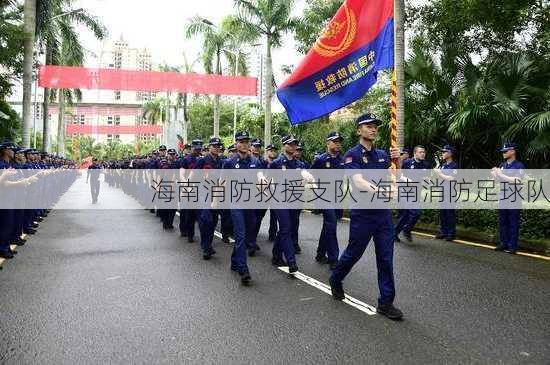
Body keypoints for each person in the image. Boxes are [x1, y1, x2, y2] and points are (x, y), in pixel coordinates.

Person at [329, 113, 403, 320]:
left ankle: (386, 302)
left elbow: (396, 178)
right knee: (354, 253)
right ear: (358, 130)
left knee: (386, 258)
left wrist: (397, 161)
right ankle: (336, 278)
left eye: (375, 126)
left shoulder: (381, 154)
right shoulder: (352, 155)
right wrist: (382, 192)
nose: (373, 129)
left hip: (383, 215)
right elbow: (359, 181)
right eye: (368, 126)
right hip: (363, 214)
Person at [223, 131, 262, 284]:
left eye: (247, 142)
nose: (245, 144)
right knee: (240, 235)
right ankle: (243, 269)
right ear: (236, 144)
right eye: (241, 141)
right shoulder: (230, 163)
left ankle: (234, 261)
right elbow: (223, 182)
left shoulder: (255, 161)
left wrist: (263, 181)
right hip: (236, 203)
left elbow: (260, 175)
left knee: (246, 236)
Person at [311, 131, 344, 270]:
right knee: (331, 225)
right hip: (324, 197)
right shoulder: (320, 160)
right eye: (335, 141)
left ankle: (320, 253)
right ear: (328, 143)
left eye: (339, 142)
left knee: (328, 226)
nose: (338, 144)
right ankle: (333, 258)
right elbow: (311, 175)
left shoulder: (343, 159)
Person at [269, 135, 300, 273]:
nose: (293, 146)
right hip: (278, 200)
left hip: (293, 199)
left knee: (286, 229)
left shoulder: (299, 164)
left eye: (295, 144)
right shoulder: (276, 163)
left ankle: (276, 255)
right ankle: (291, 261)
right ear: (284, 146)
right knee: (286, 228)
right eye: (290, 144)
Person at [492, 142, 525, 254]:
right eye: (503, 151)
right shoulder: (502, 165)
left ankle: (512, 246)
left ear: (513, 151)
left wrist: (501, 175)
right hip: (503, 196)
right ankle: (503, 243)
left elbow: (518, 181)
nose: (503, 153)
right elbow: (497, 181)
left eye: (506, 151)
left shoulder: (519, 165)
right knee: (502, 222)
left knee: (513, 222)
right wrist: (495, 175)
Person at [394, 145, 431, 242]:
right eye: (420, 152)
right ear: (415, 153)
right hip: (405, 190)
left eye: (424, 152)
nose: (423, 154)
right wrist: (404, 180)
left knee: (406, 213)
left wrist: (427, 182)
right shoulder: (407, 163)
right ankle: (407, 230)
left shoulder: (426, 165)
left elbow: (426, 179)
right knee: (416, 212)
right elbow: (398, 174)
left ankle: (395, 232)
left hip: (416, 192)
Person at [194, 137, 224, 260]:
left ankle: (208, 244)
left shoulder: (222, 161)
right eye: (214, 146)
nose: (216, 148)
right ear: (209, 147)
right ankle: (206, 247)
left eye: (218, 146)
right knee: (206, 219)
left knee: (214, 221)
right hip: (204, 193)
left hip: (217, 194)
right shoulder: (202, 161)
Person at [179, 139, 203, 242]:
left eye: (199, 149)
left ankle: (204, 238)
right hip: (188, 188)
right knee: (188, 214)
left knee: (200, 215)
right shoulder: (186, 159)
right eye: (195, 148)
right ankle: (189, 234)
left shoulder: (203, 159)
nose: (197, 150)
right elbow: (181, 174)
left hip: (201, 189)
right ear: (192, 148)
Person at [434, 145, 458, 241]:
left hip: (450, 192)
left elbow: (451, 178)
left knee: (449, 213)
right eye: (442, 152)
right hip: (442, 191)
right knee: (442, 213)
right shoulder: (443, 165)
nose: (443, 154)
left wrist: (439, 173)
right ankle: (443, 232)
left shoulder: (454, 165)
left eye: (445, 152)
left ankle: (451, 233)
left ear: (450, 153)